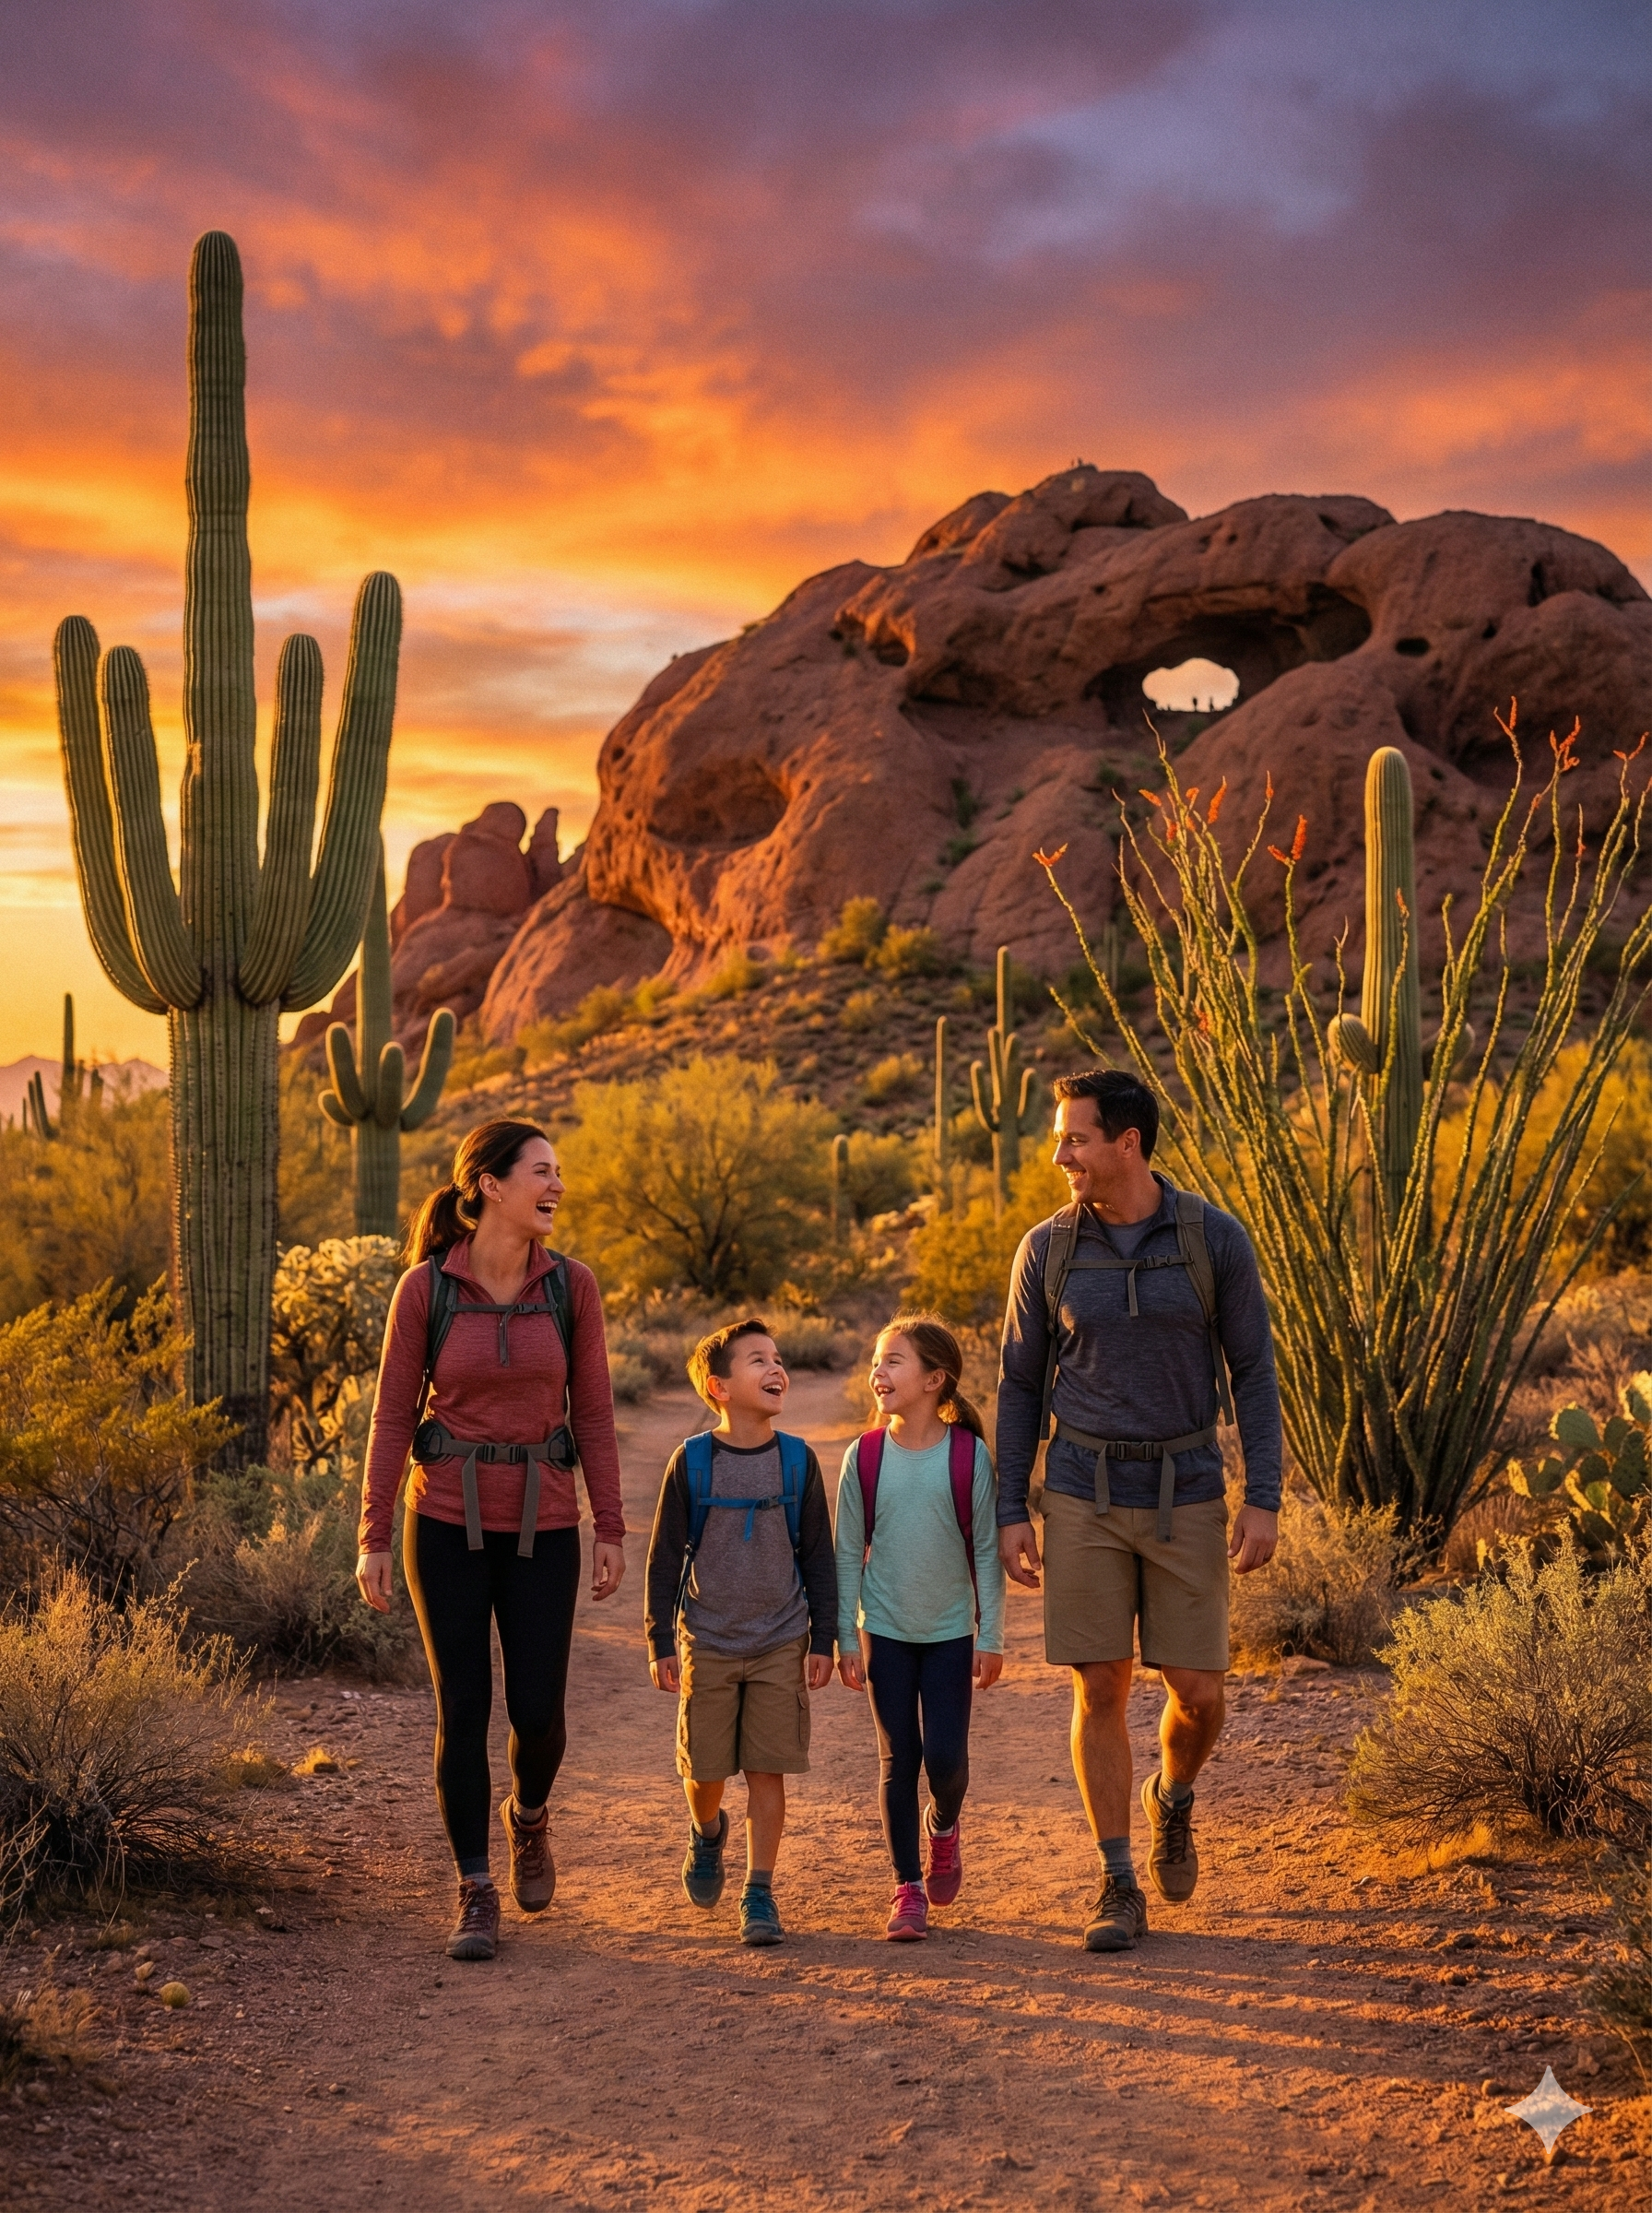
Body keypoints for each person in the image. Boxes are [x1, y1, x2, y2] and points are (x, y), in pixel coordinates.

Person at [995, 1070, 1281, 1954]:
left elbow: (1255, 1373)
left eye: (1075, 1138)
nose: (1060, 1155)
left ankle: (1174, 1797)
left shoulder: (1213, 1239)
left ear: (1128, 1143)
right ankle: (1118, 1880)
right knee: (1100, 1683)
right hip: (1080, 1488)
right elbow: (1017, 1384)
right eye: (1060, 1138)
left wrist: (1263, 1495)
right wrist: (1013, 1505)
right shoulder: (1046, 1249)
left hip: (1185, 1488)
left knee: (1198, 1692)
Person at [357, 1118, 626, 1964]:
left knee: (538, 1709)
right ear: (490, 1185)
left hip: (544, 1520)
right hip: (441, 1521)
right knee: (463, 1707)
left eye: (559, 1173)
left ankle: (529, 1817)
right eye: (541, 1172)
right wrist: (372, 1534)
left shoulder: (570, 1287)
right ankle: (476, 1890)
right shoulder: (425, 1289)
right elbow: (393, 1413)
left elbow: (597, 1414)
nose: (557, 1186)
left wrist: (610, 1523)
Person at [643, 1320, 836, 1948]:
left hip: (782, 1638)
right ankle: (706, 1834)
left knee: (766, 1770)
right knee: (704, 1772)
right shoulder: (693, 1462)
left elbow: (819, 1557)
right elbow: (665, 1558)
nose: (776, 1369)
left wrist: (824, 1638)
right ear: (719, 1386)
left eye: (778, 1359)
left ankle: (760, 1891)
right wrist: (660, 1641)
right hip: (709, 1640)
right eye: (758, 1360)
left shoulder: (797, 1460)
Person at [834, 1313, 1006, 1942]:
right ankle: (907, 1888)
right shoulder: (866, 1455)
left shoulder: (968, 1456)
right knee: (897, 1759)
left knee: (947, 1761)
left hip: (951, 1632)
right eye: (878, 1361)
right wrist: (844, 1636)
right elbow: (847, 1549)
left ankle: (944, 1828)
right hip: (884, 1629)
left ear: (936, 1379)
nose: (879, 1372)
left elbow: (986, 1550)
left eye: (894, 1361)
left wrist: (990, 1636)